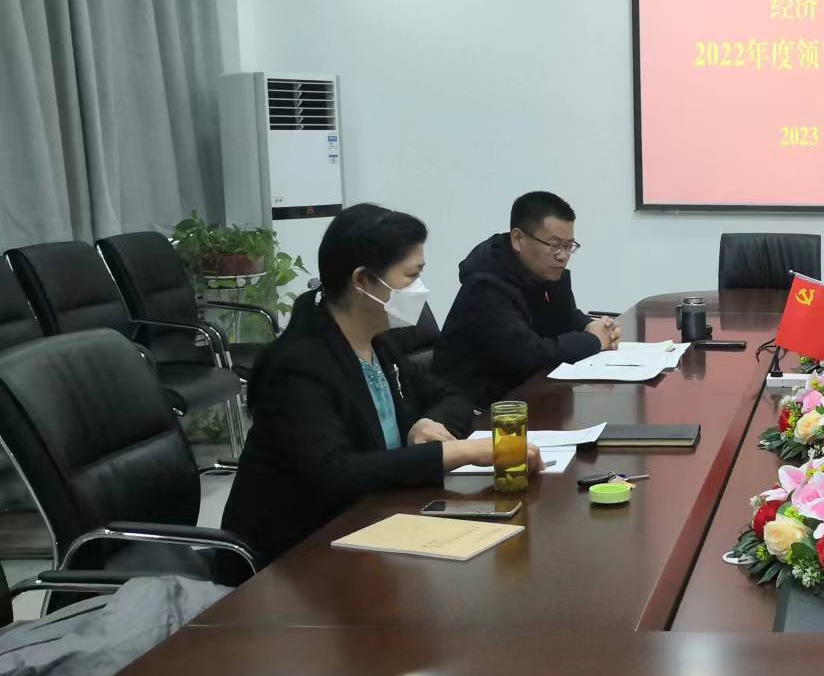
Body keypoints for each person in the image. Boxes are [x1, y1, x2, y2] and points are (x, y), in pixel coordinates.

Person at [223, 204, 540, 564]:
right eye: (410, 276)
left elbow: (452, 395)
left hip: (372, 525)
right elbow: (337, 474)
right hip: (294, 555)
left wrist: (427, 422)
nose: (419, 289)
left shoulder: (377, 344)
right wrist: (460, 453)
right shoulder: (297, 367)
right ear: (362, 281)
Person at [435, 191, 620, 406]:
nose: (562, 256)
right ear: (518, 239)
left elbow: (565, 317)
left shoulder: (544, 273)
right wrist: (594, 340)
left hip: (529, 396)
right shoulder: (485, 286)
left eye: (569, 246)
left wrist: (592, 325)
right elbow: (528, 354)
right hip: (476, 409)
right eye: (554, 245)